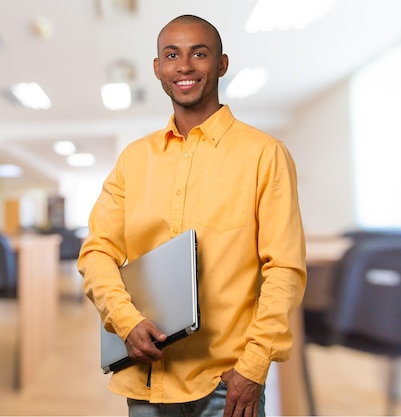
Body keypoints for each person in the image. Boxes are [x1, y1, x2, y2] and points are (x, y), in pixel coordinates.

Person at [77, 14, 306, 417]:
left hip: (228, 383)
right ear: (158, 69)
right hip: (147, 376)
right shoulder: (134, 160)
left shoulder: (264, 155)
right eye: (172, 55)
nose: (184, 66)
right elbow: (97, 252)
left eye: (199, 54)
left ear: (221, 64)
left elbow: (284, 269)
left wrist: (253, 368)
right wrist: (126, 321)